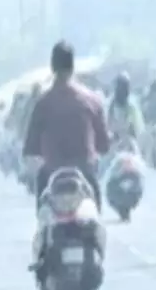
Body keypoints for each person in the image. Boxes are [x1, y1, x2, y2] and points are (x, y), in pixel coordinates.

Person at [23, 40, 111, 212]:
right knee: (95, 206)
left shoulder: (43, 103)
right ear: (72, 65)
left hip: (52, 173)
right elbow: (104, 145)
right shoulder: (92, 100)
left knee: (42, 194)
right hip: (84, 173)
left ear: (52, 66)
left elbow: (31, 148)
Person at [106, 72, 143, 144]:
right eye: (121, 87)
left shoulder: (132, 108)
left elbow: (139, 129)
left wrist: (132, 132)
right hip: (112, 145)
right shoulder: (108, 106)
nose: (123, 91)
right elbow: (104, 128)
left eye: (125, 88)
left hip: (129, 145)